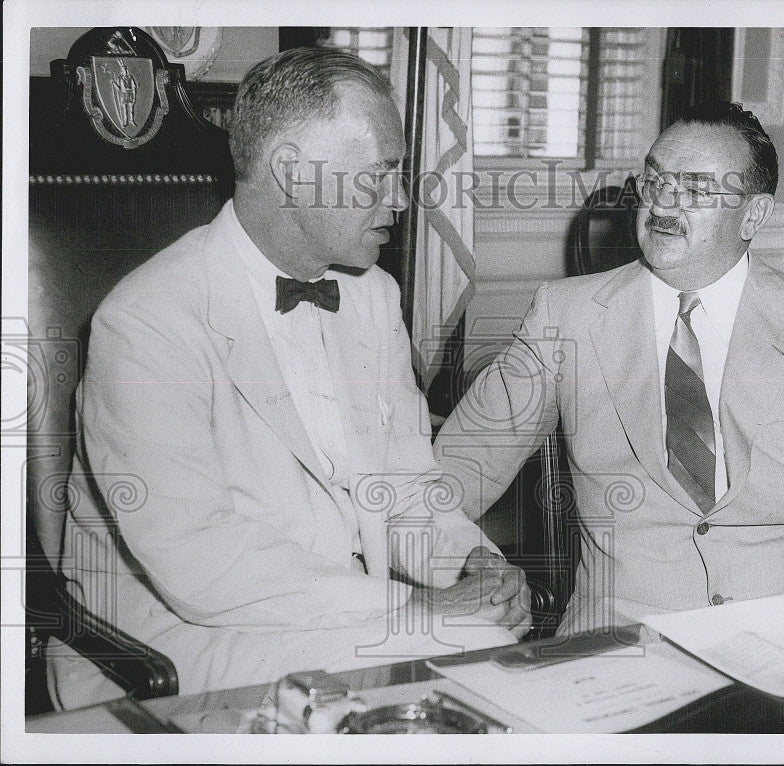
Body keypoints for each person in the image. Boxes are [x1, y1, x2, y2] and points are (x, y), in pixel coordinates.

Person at [52, 47, 530, 709]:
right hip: (170, 639)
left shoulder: (372, 296)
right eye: (379, 174)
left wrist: (476, 568)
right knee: (460, 649)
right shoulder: (144, 322)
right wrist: (423, 609)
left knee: (489, 629)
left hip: (333, 612)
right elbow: (202, 564)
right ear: (290, 171)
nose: (398, 200)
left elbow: (406, 486)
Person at [434, 101, 784, 634]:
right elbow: (451, 471)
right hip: (615, 642)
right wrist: (465, 565)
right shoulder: (564, 316)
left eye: (696, 190)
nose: (664, 204)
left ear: (753, 214)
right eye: (656, 181)